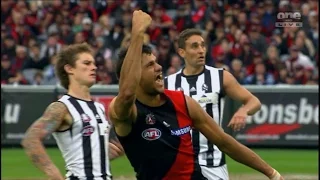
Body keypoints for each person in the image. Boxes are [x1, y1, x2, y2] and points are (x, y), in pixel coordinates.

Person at [108, 10, 284, 180]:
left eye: (157, 62)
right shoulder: (126, 110)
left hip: (211, 165)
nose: (159, 67)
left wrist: (272, 173)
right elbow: (127, 94)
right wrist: (137, 34)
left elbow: (225, 142)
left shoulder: (184, 99)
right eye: (149, 65)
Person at [164, 28, 262, 180]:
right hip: (180, 162)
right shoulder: (168, 83)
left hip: (212, 163)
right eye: (194, 46)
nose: (201, 50)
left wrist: (244, 111)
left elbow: (253, 101)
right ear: (182, 52)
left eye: (203, 45)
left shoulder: (220, 76)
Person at [21, 43, 124, 180]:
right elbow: (30, 139)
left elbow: (84, 155)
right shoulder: (62, 107)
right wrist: (53, 173)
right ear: (70, 69)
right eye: (86, 63)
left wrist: (104, 154)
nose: (93, 67)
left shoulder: (98, 107)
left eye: (93, 63)